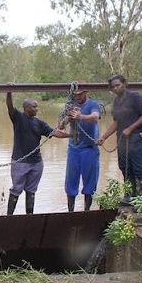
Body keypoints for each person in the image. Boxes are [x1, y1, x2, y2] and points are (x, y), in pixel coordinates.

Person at [6, 92, 71, 215]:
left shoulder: (39, 123)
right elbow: (9, 106)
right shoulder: (18, 118)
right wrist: (9, 92)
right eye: (34, 106)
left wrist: (71, 135)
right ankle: (8, 216)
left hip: (36, 163)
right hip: (20, 162)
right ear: (26, 108)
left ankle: (30, 217)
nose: (37, 109)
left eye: (37, 106)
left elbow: (55, 132)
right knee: (16, 189)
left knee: (31, 190)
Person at [96, 74, 142, 200]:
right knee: (125, 167)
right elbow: (116, 122)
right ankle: (130, 196)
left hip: (138, 137)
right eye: (113, 87)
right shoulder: (116, 102)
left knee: (139, 168)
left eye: (118, 85)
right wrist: (104, 137)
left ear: (124, 84)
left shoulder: (134, 97)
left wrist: (131, 128)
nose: (116, 88)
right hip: (123, 139)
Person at [57, 83, 101, 212]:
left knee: (90, 181)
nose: (78, 97)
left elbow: (95, 117)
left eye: (80, 94)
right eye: (75, 94)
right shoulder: (70, 106)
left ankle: (86, 210)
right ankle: (71, 211)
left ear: (86, 92)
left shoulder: (93, 104)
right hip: (74, 148)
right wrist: (67, 119)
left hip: (89, 148)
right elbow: (60, 126)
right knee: (71, 180)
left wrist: (80, 116)